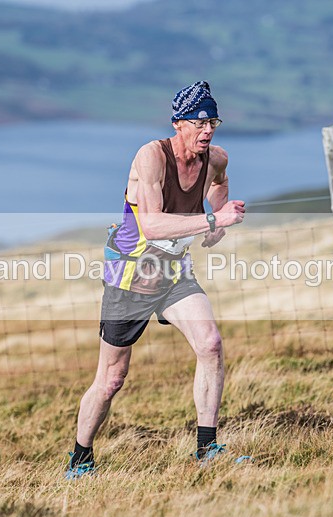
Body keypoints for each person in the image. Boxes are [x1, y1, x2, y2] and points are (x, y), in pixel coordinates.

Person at [66, 81, 246, 479]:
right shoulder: (151, 157)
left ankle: (207, 447)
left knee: (211, 344)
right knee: (112, 378)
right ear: (178, 123)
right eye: (199, 122)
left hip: (173, 272)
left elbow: (219, 187)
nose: (208, 130)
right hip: (131, 272)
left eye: (213, 121)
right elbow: (150, 224)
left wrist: (215, 226)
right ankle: (80, 457)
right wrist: (214, 219)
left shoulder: (215, 158)